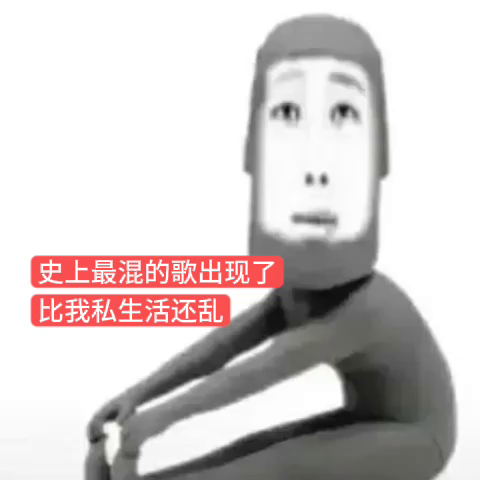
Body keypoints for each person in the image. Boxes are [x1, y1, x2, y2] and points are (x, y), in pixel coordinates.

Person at [85, 14, 456, 480]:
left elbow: (260, 370)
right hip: (368, 419)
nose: (314, 169)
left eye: (344, 114)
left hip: (417, 439)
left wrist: (158, 419)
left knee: (277, 465)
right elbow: (220, 348)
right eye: (287, 114)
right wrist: (137, 396)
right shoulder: (302, 294)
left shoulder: (368, 308)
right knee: (254, 448)